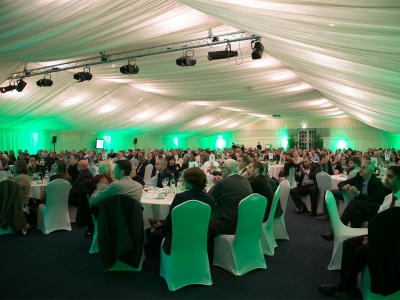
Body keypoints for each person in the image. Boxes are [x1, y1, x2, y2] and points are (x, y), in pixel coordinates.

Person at [318, 166, 400, 299]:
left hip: (392, 243)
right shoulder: (388, 198)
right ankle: (349, 287)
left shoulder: (379, 186)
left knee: (361, 250)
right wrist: (371, 236)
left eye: (391, 177)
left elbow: (394, 232)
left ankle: (342, 287)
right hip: (379, 237)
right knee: (348, 243)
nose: (386, 179)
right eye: (387, 175)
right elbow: (378, 221)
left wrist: (372, 239)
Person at [321, 160, 386, 240]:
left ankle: (334, 232)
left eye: (363, 168)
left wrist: (358, 193)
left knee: (355, 203)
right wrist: (344, 187)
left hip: (375, 209)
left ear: (370, 171)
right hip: (362, 208)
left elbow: (374, 200)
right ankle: (356, 240)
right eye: (360, 167)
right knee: (356, 214)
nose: (360, 169)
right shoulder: (359, 177)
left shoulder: (376, 183)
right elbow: (341, 183)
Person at [161, 167, 215, 255]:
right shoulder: (210, 199)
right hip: (201, 240)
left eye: (184, 179)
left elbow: (168, 224)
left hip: (178, 239)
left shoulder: (180, 197)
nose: (183, 181)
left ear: (189, 181)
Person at [207, 159, 252, 253]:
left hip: (231, 224)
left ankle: (209, 254)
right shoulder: (245, 180)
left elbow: (209, 199)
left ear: (228, 170)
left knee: (205, 225)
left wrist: (215, 185)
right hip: (245, 222)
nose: (220, 170)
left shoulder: (223, 183)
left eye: (222, 168)